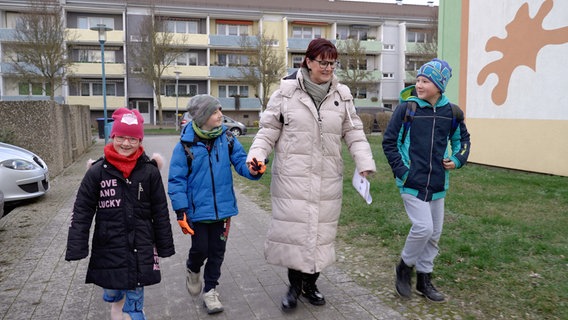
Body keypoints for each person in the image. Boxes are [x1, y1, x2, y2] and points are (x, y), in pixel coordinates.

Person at [246, 38, 376, 311]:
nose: (328, 68)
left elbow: (354, 133)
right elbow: (268, 130)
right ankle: (294, 287)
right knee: (296, 233)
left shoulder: (342, 95)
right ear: (308, 61)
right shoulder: (285, 93)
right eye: (322, 62)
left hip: (327, 177)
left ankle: (311, 284)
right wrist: (257, 156)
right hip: (293, 178)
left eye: (332, 63)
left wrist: (364, 162)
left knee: (321, 233)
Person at [65, 108, 175, 320]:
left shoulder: (149, 172)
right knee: (114, 294)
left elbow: (160, 210)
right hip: (108, 247)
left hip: (140, 247)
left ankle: (133, 313)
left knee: (133, 304)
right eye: (121, 137)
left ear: (140, 140)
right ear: (113, 136)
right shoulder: (97, 172)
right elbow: (82, 210)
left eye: (132, 139)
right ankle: (115, 301)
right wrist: (77, 246)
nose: (126, 143)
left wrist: (164, 246)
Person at [382, 58, 471, 303]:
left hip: (438, 184)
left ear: (439, 85)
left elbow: (462, 141)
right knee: (423, 228)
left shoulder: (451, 112)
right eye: (418, 80)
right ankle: (404, 267)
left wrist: (457, 159)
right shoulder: (407, 109)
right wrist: (403, 172)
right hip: (411, 182)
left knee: (434, 234)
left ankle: (424, 279)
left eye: (425, 81)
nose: (419, 85)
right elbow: (390, 142)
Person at [167, 94, 264, 314]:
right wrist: (181, 211)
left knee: (217, 251)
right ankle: (193, 269)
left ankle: (210, 291)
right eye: (214, 111)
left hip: (223, 210)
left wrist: (252, 168)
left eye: (220, 110)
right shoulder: (185, 146)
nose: (220, 115)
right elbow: (176, 180)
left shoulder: (228, 138)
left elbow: (240, 161)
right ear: (201, 117)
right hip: (197, 212)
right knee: (201, 249)